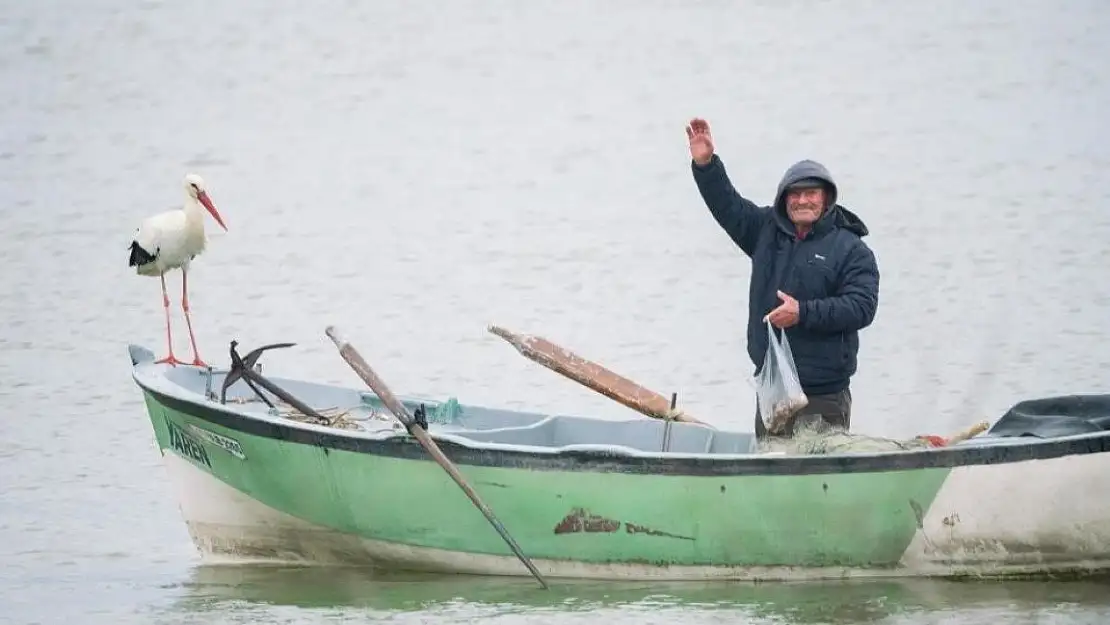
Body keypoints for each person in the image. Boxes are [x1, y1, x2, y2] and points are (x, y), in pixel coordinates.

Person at [685, 118, 880, 439]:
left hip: (824, 394)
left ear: (827, 198)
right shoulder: (765, 231)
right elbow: (728, 206)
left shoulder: (852, 249)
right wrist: (705, 164)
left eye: (811, 193)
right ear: (784, 198)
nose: (803, 201)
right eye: (795, 194)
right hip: (773, 388)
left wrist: (803, 312)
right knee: (770, 476)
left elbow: (861, 308)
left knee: (818, 481)